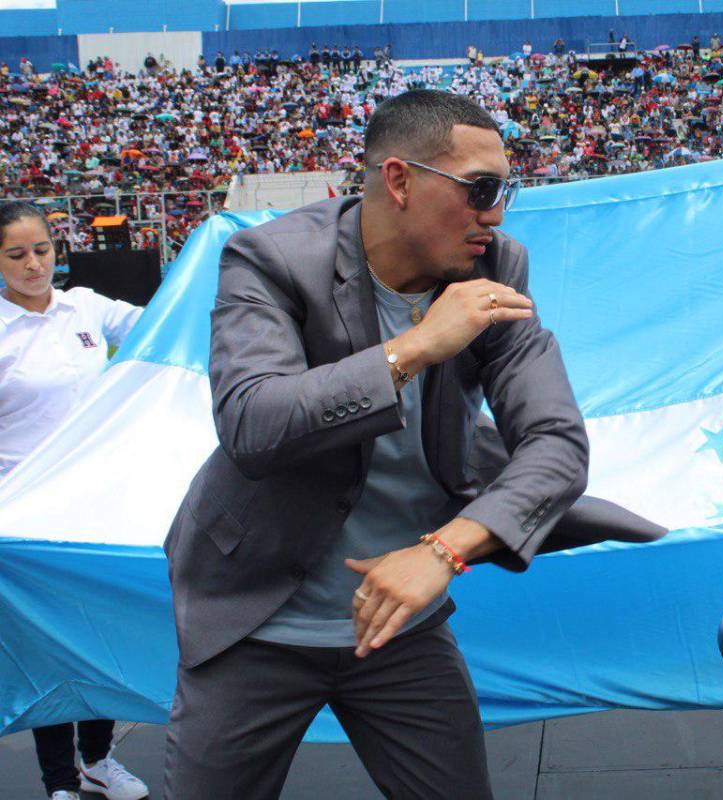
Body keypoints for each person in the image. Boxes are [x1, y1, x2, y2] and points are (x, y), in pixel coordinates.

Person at [160, 89, 657, 799]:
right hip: (257, 612)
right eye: (481, 189)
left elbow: (555, 442)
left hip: (402, 620)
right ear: (398, 180)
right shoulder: (270, 258)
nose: (496, 212)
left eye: (506, 190)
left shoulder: (495, 265)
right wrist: (416, 347)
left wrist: (442, 551)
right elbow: (251, 424)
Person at [0, 201, 148, 800]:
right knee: (43, 649)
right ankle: (59, 780)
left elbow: (166, 325)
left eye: (42, 250)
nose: (34, 265)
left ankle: (98, 758)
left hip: (92, 506)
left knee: (95, 634)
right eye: (16, 255)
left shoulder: (85, 307)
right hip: (22, 514)